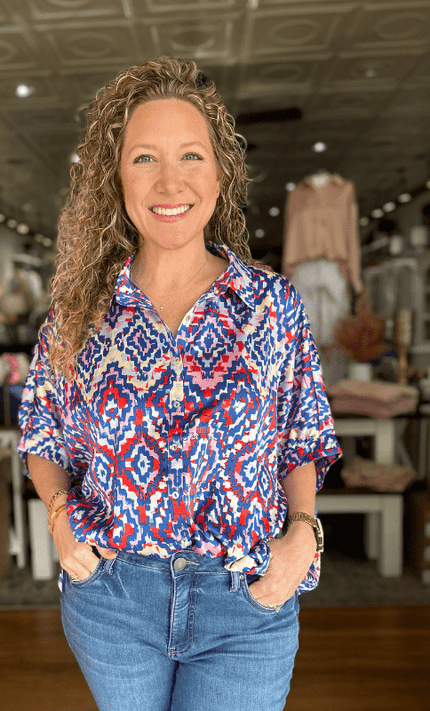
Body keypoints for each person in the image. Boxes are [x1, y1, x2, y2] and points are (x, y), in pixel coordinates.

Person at [18, 56, 341, 711]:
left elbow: (302, 431)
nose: (168, 181)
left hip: (243, 597)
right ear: (116, 175)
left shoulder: (271, 305)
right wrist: (59, 521)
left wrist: (302, 531)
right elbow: (43, 432)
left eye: (190, 155)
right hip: (112, 598)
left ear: (221, 172)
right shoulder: (80, 312)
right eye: (143, 158)